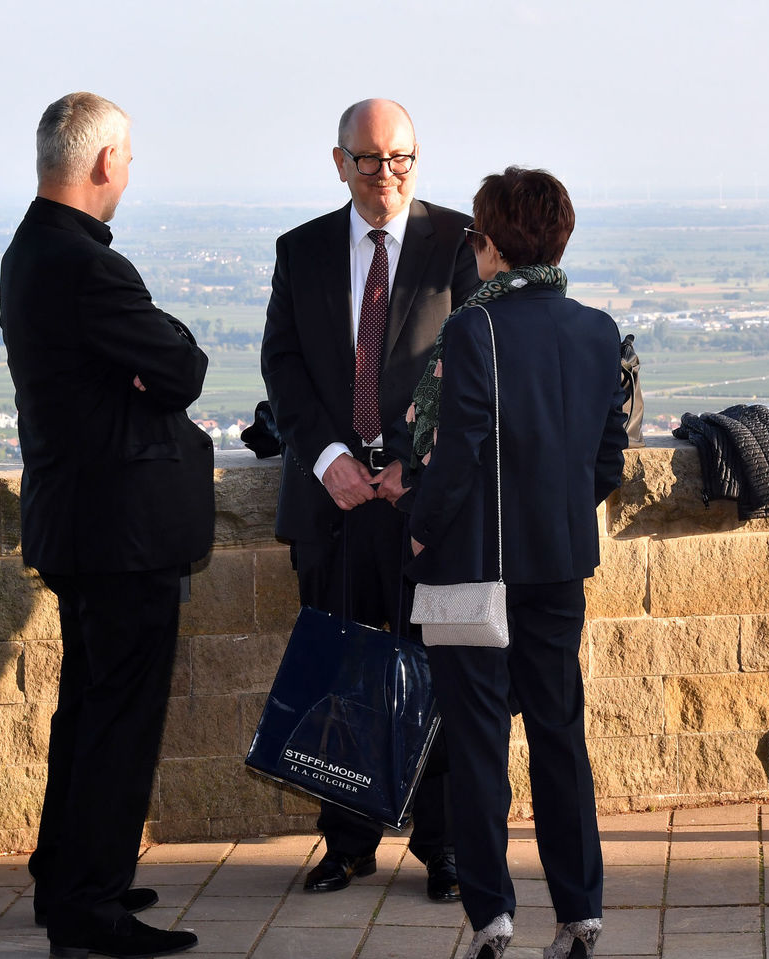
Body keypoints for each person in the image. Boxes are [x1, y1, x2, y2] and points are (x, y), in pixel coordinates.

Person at [0, 92, 213, 958]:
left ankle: (71, 875)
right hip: (119, 533)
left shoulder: (29, 249)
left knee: (87, 709)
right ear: (100, 163)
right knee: (118, 718)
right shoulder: (88, 266)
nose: (127, 173)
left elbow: (154, 369)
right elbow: (183, 365)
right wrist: (153, 361)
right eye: (125, 159)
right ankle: (91, 905)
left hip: (79, 523)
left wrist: (146, 368)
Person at [406, 167, 628, 959]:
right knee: (560, 737)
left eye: (477, 234)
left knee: (477, 746)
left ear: (494, 243)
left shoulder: (476, 329)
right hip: (560, 561)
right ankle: (581, 915)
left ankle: (493, 919)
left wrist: (420, 531)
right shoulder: (600, 330)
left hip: (474, 564)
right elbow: (608, 460)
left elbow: (457, 454)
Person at [261, 99, 478, 898]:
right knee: (341, 677)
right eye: (369, 159)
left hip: (423, 505)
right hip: (332, 504)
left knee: (437, 674)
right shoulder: (302, 250)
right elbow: (281, 365)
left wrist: (411, 467)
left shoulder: (457, 243)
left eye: (401, 159)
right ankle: (347, 841)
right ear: (338, 161)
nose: (386, 174)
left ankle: (444, 846)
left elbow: (471, 367)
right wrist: (327, 459)